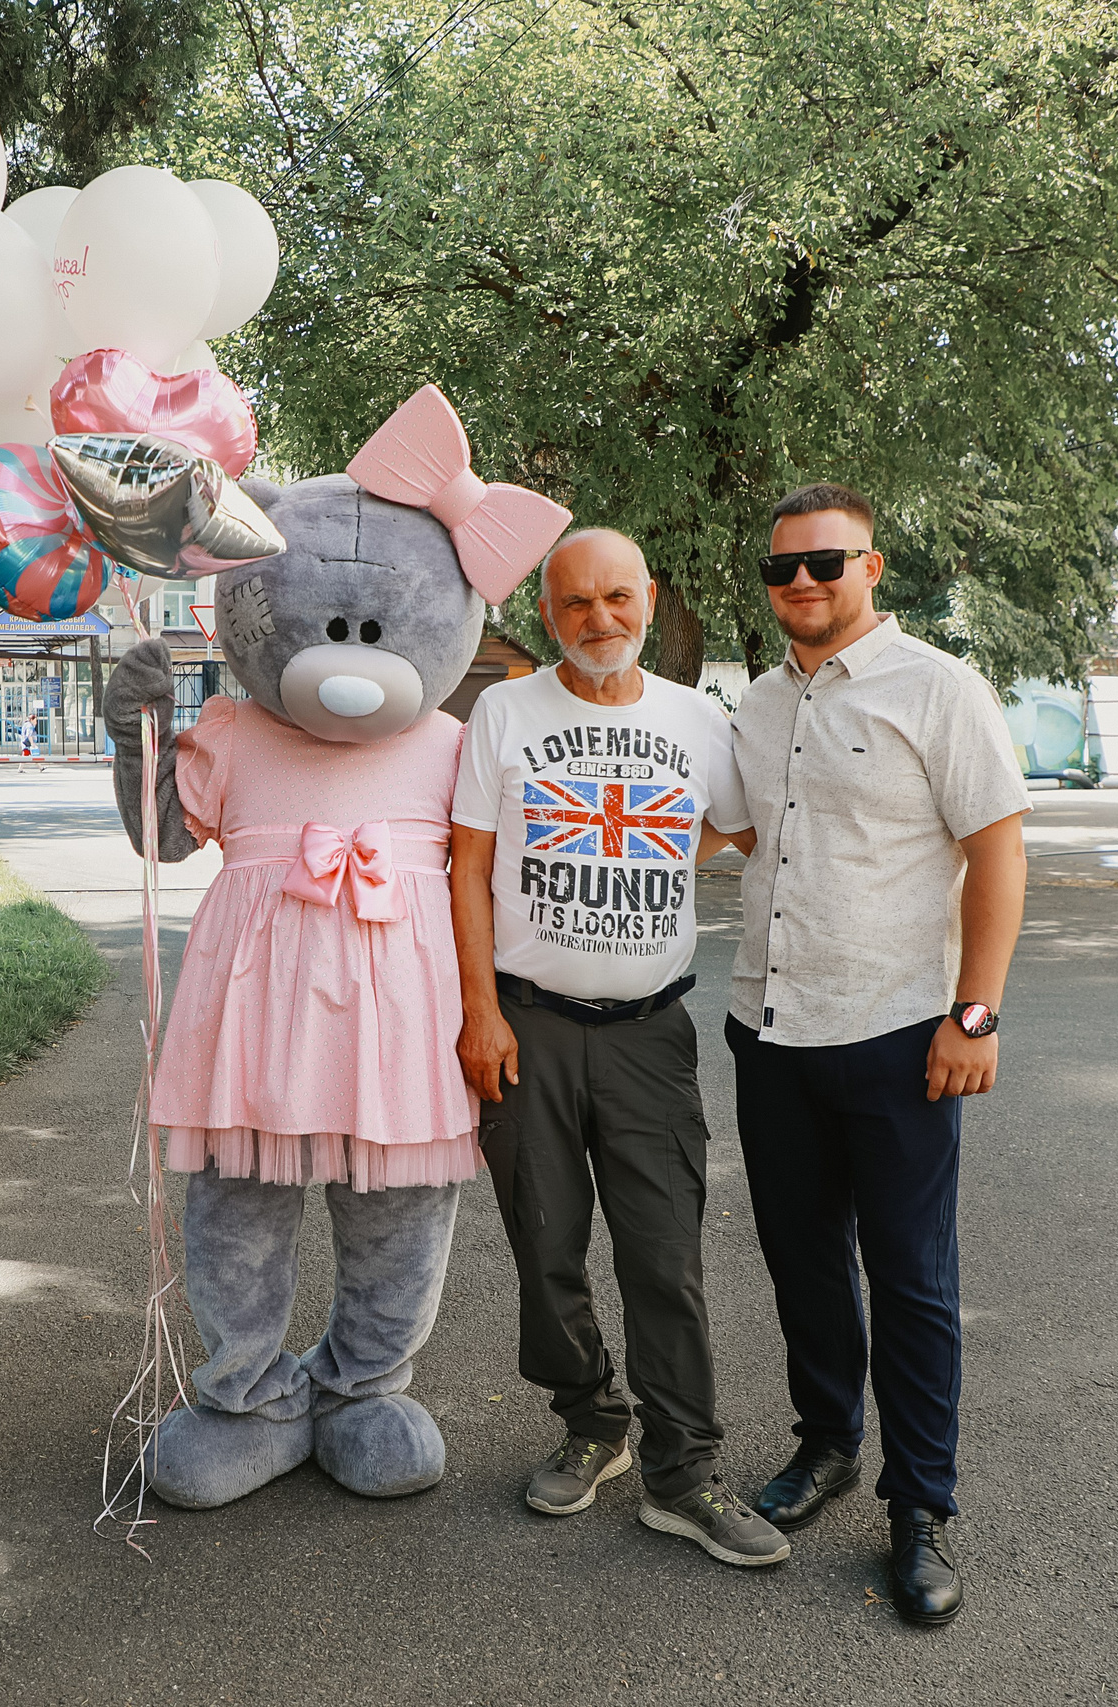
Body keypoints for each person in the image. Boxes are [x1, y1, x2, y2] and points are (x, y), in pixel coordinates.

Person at [725, 483, 1029, 1626]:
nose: (801, 583)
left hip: (902, 1035)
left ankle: (921, 1504)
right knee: (802, 1260)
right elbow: (760, 839)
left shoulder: (939, 689)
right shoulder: (755, 703)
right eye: (781, 568)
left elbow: (996, 854)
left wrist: (976, 1013)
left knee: (910, 1279)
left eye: (824, 563)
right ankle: (827, 1445)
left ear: (871, 567)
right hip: (770, 1029)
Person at [450, 529, 781, 1568]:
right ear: (548, 614)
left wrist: (658, 847)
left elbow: (734, 828)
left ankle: (681, 1473)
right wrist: (478, 1012)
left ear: (647, 601)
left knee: (664, 1259)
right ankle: (593, 1423)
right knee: (544, 1248)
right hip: (528, 1025)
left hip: (648, 1034)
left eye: (618, 599)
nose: (601, 620)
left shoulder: (696, 721)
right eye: (577, 603)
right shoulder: (502, 712)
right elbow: (466, 870)